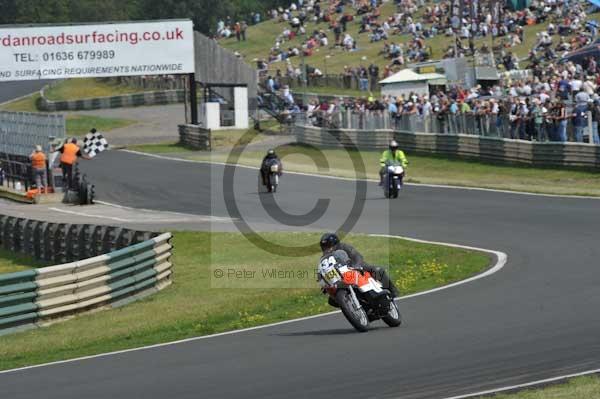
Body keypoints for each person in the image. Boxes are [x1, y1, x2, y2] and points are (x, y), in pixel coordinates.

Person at [319, 233, 400, 307]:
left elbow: (357, 256)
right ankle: (353, 308)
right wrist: (324, 284)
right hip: (341, 277)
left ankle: (393, 292)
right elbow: (322, 272)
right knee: (331, 300)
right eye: (325, 247)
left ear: (336, 244)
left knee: (378, 270)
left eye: (329, 246)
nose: (328, 249)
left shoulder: (344, 247)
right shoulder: (324, 259)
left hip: (356, 267)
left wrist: (356, 266)